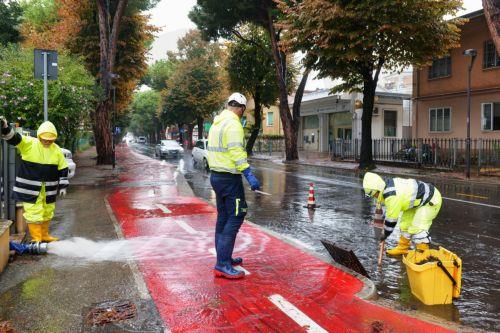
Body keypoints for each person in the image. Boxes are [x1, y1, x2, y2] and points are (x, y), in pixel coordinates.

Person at [207, 93, 261, 279]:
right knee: (237, 215)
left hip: (216, 176)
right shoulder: (234, 124)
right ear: (241, 108)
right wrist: (248, 174)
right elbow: (236, 152)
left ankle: (224, 258)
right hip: (230, 179)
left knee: (223, 217)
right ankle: (222, 263)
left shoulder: (217, 123)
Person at [0, 118, 69, 243]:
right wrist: (5, 129)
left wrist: (63, 186)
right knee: (34, 212)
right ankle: (36, 238)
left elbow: (63, 168)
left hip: (49, 190)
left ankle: (44, 235)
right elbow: (15, 138)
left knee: (48, 211)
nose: (47, 141)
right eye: (45, 139)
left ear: (54, 138)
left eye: (50, 139)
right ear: (39, 136)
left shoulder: (57, 149)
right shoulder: (29, 143)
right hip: (30, 189)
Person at [363, 172, 442, 255]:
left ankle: (423, 254)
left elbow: (391, 220)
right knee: (405, 225)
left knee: (418, 228)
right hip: (415, 202)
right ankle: (402, 248)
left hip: (430, 200)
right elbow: (391, 209)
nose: (374, 197)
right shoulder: (386, 186)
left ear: (377, 190)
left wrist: (384, 235)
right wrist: (384, 218)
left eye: (373, 194)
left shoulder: (392, 195)